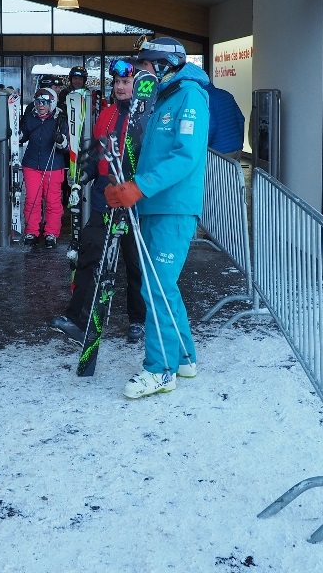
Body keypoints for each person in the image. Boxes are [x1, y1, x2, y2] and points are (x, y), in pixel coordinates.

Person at [105, 36, 209, 399]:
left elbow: (185, 157)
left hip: (173, 208)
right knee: (162, 286)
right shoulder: (164, 98)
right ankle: (183, 357)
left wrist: (139, 187)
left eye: (146, 66)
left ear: (165, 65)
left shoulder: (189, 96)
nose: (141, 74)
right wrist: (126, 188)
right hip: (153, 206)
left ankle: (160, 370)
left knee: (156, 289)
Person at [51, 57, 146, 344]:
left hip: (134, 198)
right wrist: (85, 172)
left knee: (134, 262)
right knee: (90, 256)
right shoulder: (106, 114)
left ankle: (138, 319)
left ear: (137, 86)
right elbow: (97, 154)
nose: (120, 87)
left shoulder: (147, 118)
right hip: (104, 197)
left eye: (126, 82)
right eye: (117, 82)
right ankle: (77, 318)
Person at [18, 86, 68, 248]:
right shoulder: (31, 116)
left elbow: (67, 146)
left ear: (52, 103)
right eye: (38, 102)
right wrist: (16, 134)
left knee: (53, 201)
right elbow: (23, 135)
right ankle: (32, 231)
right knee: (32, 199)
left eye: (45, 102)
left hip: (53, 165)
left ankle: (51, 233)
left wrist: (60, 140)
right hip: (32, 164)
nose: (41, 105)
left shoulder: (60, 118)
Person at [202, 81, 245, 157]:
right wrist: (239, 141)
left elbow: (211, 126)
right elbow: (241, 119)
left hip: (218, 151)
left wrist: (204, 147)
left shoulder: (205, 98)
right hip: (236, 147)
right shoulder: (226, 94)